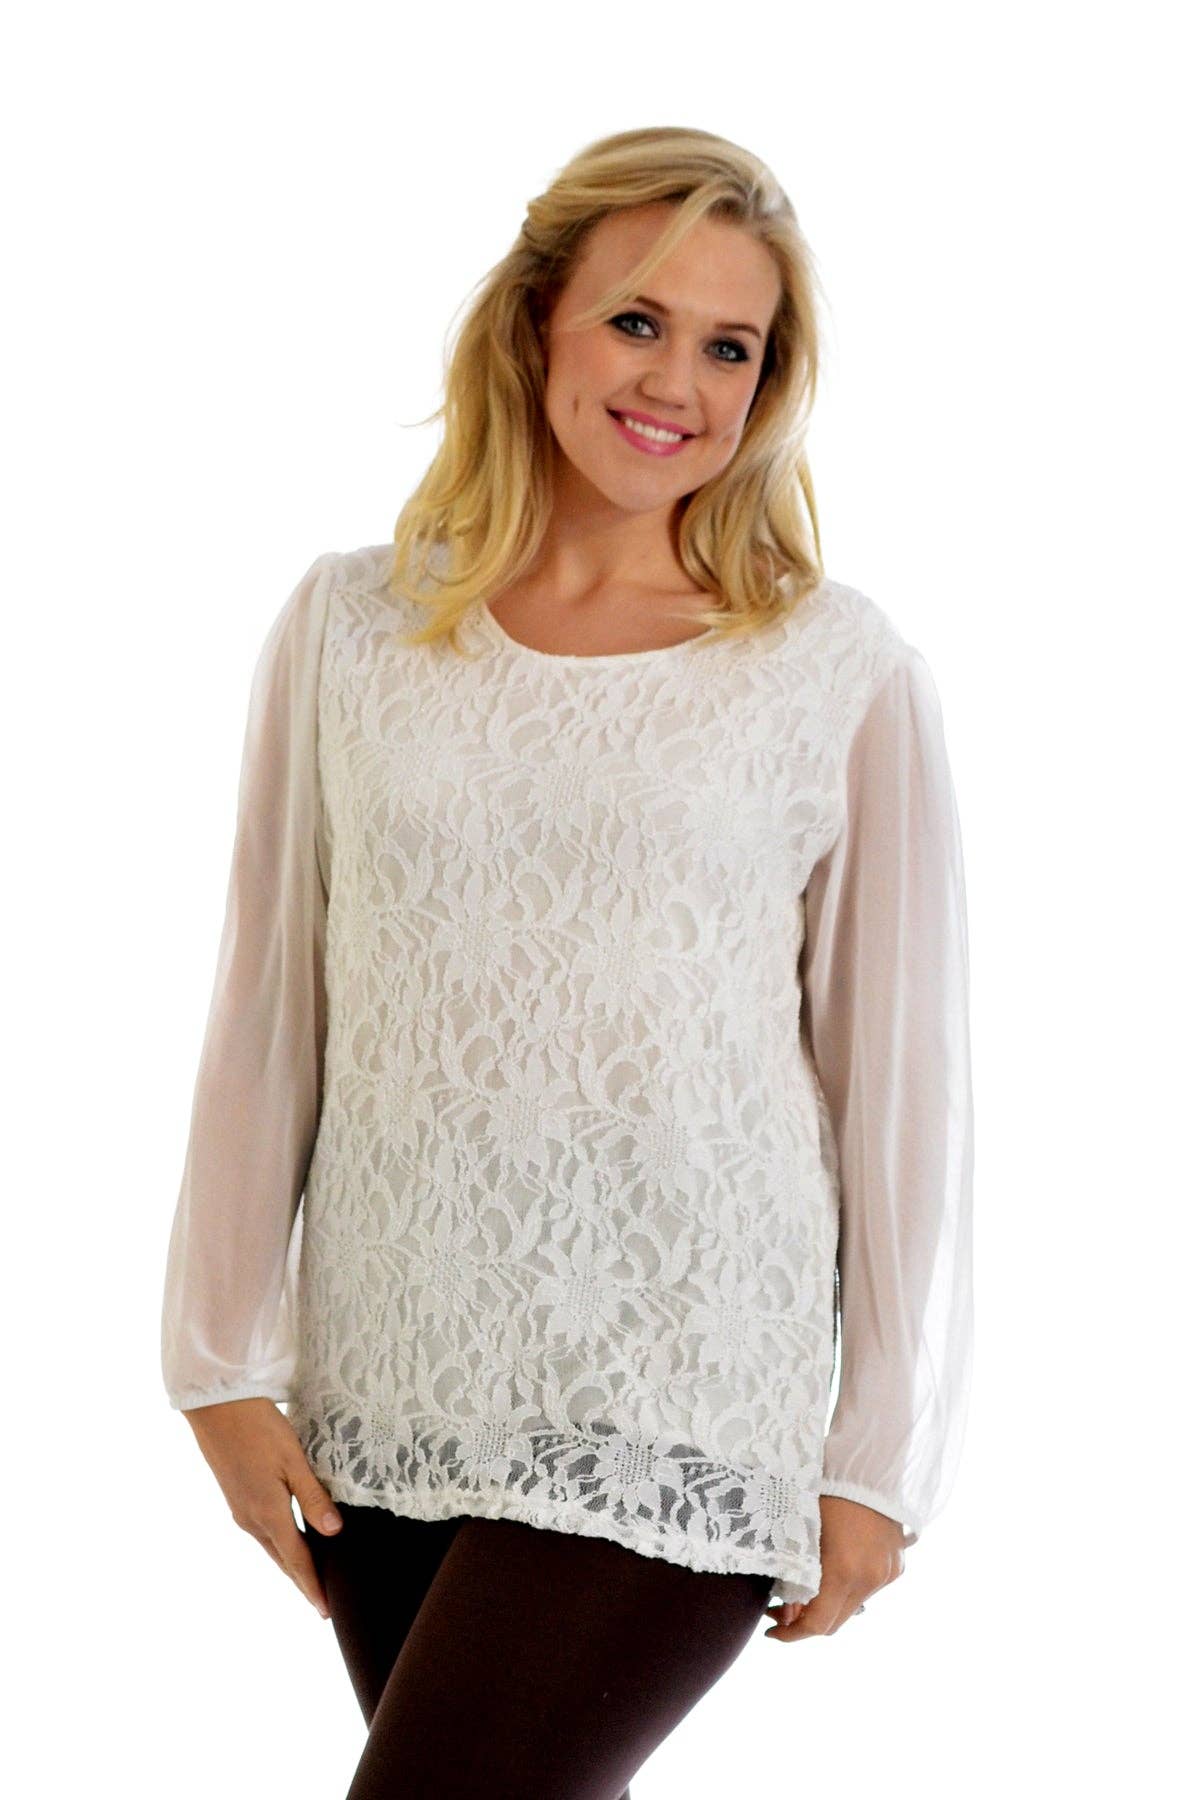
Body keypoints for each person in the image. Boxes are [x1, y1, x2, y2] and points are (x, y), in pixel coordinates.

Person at [160, 125, 974, 1799]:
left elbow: (899, 1084)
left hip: (681, 1373)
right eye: (638, 321)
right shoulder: (352, 628)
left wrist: (880, 1455)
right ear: (536, 321)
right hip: (397, 1364)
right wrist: (216, 1360)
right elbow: (267, 1008)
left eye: (731, 347)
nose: (677, 381)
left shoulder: (834, 669)